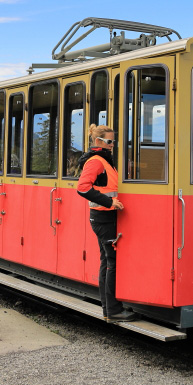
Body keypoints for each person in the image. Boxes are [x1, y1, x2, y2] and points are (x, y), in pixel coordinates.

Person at [75, 124, 136, 322]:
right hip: (103, 217)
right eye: (109, 142)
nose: (112, 145)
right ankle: (113, 311)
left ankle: (108, 309)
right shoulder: (96, 162)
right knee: (112, 262)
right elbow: (83, 188)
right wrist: (109, 202)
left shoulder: (105, 161)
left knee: (107, 261)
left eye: (114, 142)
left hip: (104, 217)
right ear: (99, 141)